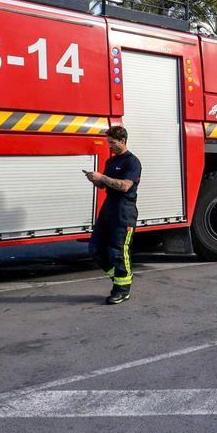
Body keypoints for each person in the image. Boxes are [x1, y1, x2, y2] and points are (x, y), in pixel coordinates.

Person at [85, 125, 141, 305]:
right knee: (95, 248)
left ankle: (122, 290)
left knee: (119, 251)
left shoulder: (132, 162)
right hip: (109, 208)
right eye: (108, 143)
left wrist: (103, 178)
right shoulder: (111, 162)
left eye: (113, 143)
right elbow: (103, 185)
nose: (110, 146)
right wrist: (95, 180)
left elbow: (125, 186)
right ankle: (120, 276)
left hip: (124, 210)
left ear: (122, 141)